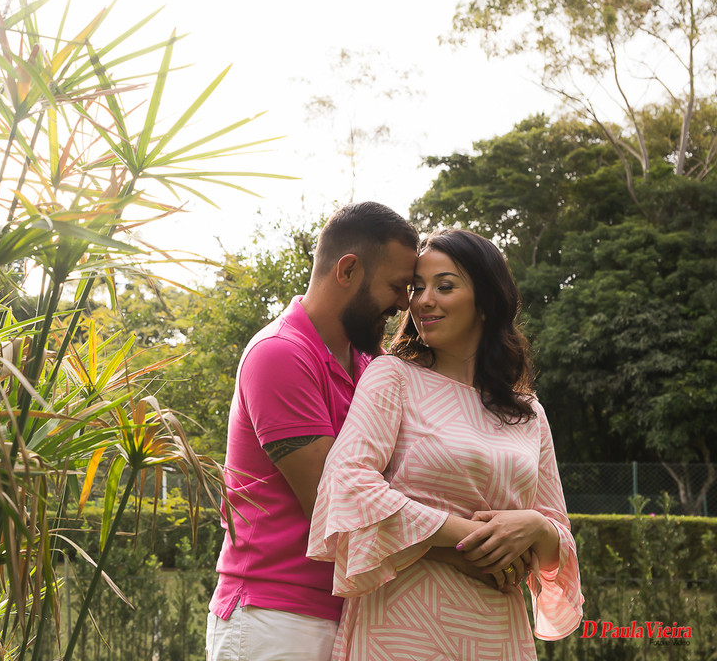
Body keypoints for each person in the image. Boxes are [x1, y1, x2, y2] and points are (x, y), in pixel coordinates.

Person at [307, 228, 583, 660]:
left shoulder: (529, 413)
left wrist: (536, 527)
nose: (423, 301)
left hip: (496, 634)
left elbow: (558, 543)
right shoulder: (392, 377)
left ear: (486, 301)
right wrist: (471, 537)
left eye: (445, 286)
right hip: (401, 628)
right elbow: (347, 482)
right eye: (417, 288)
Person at [206, 202, 420, 661]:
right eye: (396, 286)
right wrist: (464, 545)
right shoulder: (280, 354)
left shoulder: (370, 365)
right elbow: (335, 505)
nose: (405, 303)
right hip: (275, 618)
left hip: (351, 614)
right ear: (348, 270)